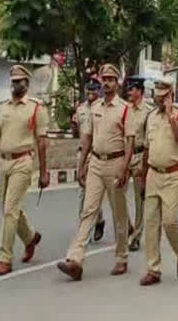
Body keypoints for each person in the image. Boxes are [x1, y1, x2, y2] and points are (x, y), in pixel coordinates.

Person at [58, 64, 132, 281]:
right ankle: (76, 259)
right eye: (104, 78)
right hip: (96, 163)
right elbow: (87, 137)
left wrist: (125, 168)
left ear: (117, 82)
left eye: (111, 78)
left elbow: (130, 142)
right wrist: (82, 165)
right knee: (88, 211)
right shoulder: (94, 107)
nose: (107, 82)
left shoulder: (125, 109)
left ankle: (121, 257)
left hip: (116, 163)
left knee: (119, 213)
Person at [0, 65, 50, 276]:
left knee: (10, 210)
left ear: (27, 84)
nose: (15, 85)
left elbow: (42, 142)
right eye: (13, 81)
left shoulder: (36, 108)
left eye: (19, 81)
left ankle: (5, 258)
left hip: (23, 162)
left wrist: (44, 171)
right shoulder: (3, 107)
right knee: (8, 207)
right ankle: (30, 238)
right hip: (4, 162)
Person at [138, 78, 178, 286]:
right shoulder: (150, 116)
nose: (160, 101)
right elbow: (146, 148)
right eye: (157, 97)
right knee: (151, 223)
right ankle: (153, 269)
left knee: (169, 222)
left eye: (164, 97)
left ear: (171, 95)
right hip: (153, 174)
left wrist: (170, 116)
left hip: (173, 175)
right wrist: (142, 177)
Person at [74, 77, 106, 242]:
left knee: (93, 192)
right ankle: (84, 228)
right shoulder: (80, 109)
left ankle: (97, 221)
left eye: (94, 90)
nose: (90, 93)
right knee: (82, 192)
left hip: (96, 154)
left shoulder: (103, 108)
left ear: (99, 91)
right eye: (88, 89)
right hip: (82, 153)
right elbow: (79, 130)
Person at [124, 75, 153, 253]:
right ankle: (128, 225)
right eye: (129, 89)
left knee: (139, 198)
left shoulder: (148, 111)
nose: (130, 92)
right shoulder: (125, 109)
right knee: (118, 193)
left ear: (140, 91)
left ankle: (136, 235)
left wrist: (145, 165)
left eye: (133, 89)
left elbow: (149, 138)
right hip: (125, 154)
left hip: (141, 155)